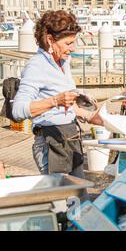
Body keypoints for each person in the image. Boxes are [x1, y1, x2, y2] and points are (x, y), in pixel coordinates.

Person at [12, 10, 104, 177]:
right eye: (68, 43)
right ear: (50, 40)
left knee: (79, 197)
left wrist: (90, 116)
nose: (73, 48)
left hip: (71, 138)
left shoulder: (64, 61)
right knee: (61, 200)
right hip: (51, 143)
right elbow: (18, 110)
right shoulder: (36, 66)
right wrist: (55, 100)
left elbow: (67, 105)